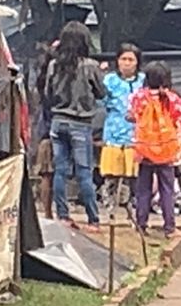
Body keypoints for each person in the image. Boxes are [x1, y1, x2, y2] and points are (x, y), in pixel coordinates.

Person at [42, 22, 106, 229]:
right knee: (84, 172)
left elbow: (47, 94)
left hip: (58, 122)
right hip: (80, 123)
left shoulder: (53, 65)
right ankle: (93, 219)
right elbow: (101, 93)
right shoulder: (90, 66)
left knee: (60, 170)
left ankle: (63, 216)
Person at [129, 61, 181, 238]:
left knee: (143, 189)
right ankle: (169, 227)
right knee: (167, 189)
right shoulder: (172, 99)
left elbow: (130, 115)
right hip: (167, 150)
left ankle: (141, 225)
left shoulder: (139, 96)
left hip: (145, 150)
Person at [99, 43, 144, 222]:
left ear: (137, 62)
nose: (126, 63)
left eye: (130, 59)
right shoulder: (109, 80)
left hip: (136, 135)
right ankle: (110, 209)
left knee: (133, 176)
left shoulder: (143, 80)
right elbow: (102, 100)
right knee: (112, 175)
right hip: (113, 132)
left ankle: (132, 212)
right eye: (123, 59)